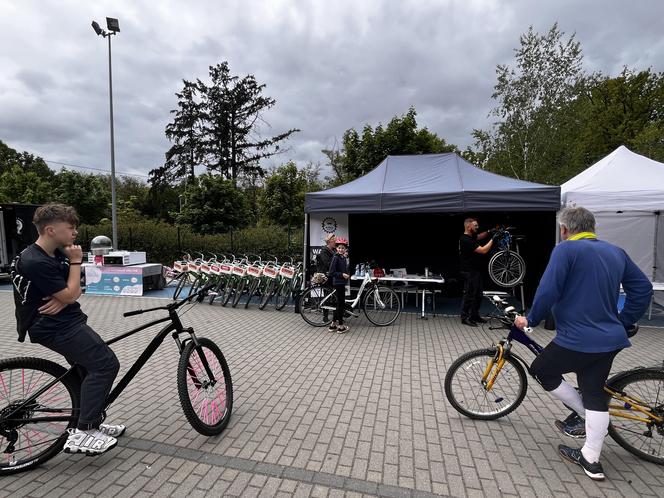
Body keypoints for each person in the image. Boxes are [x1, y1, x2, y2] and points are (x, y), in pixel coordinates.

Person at [514, 206, 652, 481]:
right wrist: (623, 321)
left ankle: (584, 417)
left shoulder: (565, 250)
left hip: (577, 338)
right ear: (592, 227)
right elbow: (643, 289)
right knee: (592, 391)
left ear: (564, 229)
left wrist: (530, 318)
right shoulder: (615, 251)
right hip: (609, 340)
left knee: (542, 369)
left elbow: (548, 288)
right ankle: (591, 458)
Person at [11, 203, 125, 456]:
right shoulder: (35, 260)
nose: (75, 233)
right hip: (56, 326)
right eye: (70, 228)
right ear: (51, 230)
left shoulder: (55, 253)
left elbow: (76, 289)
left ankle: (91, 421)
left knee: (85, 370)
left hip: (66, 320)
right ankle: (84, 432)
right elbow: (73, 292)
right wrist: (74, 269)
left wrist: (65, 296)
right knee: (105, 365)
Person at [459, 218, 499, 326]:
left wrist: (490, 232)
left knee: (478, 295)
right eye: (475, 226)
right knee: (469, 295)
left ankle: (474, 315)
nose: (477, 227)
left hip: (475, 270)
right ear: (468, 227)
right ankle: (465, 317)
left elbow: (480, 236)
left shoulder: (471, 237)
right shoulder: (465, 239)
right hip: (469, 271)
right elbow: (483, 250)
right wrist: (493, 239)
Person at [328, 237, 350, 334]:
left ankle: (333, 325)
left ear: (345, 249)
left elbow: (344, 269)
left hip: (341, 283)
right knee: (340, 305)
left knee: (339, 304)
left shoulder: (342, 257)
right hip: (338, 283)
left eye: (343, 248)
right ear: (336, 248)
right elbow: (331, 272)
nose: (341, 249)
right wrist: (342, 275)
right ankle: (341, 326)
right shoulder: (336, 257)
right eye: (339, 248)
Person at [315, 234, 336, 321]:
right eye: (334, 241)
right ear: (329, 241)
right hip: (326, 276)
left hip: (333, 276)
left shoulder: (334, 250)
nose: (335, 242)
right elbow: (327, 263)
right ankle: (325, 316)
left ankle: (336, 316)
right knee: (327, 296)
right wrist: (336, 260)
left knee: (335, 296)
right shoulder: (324, 251)